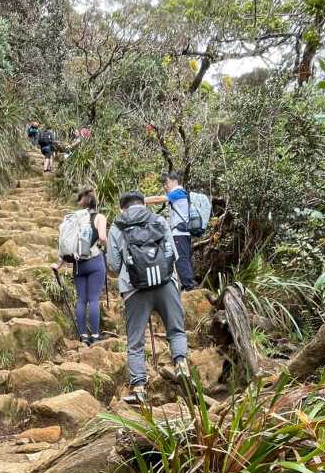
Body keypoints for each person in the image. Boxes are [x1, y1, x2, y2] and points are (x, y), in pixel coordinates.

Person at [107, 190, 189, 405]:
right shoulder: (159, 219)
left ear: (121, 208)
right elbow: (174, 254)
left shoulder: (117, 226)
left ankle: (140, 388)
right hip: (166, 283)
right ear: (144, 204)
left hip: (134, 290)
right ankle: (181, 364)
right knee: (176, 329)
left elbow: (114, 265)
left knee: (135, 342)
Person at [52, 187, 108, 345]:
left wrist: (59, 264)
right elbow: (103, 237)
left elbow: (68, 245)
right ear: (95, 203)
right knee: (94, 299)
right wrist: (105, 247)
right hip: (95, 262)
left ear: (82, 204)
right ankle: (95, 336)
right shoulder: (99, 217)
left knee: (82, 300)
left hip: (78, 265)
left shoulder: (75, 219)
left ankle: (83, 335)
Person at [144, 171, 209, 291]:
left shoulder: (177, 192)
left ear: (175, 181)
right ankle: (188, 284)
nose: (165, 186)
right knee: (184, 257)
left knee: (181, 259)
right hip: (183, 232)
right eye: (163, 183)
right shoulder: (180, 193)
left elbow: (159, 199)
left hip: (179, 233)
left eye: (167, 182)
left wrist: (141, 200)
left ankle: (189, 286)